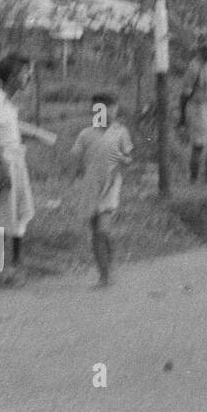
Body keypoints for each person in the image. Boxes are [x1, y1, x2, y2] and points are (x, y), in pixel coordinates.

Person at [0, 53, 55, 275]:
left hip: (17, 162)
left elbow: (12, 131)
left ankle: (16, 263)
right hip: (6, 163)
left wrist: (38, 134)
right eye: (25, 73)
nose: (29, 77)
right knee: (4, 213)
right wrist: (2, 168)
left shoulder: (9, 104)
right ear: (13, 76)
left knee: (21, 210)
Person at [69, 93, 134, 287]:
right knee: (95, 232)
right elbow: (77, 160)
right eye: (102, 110)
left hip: (111, 186)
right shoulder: (86, 134)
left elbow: (129, 158)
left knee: (103, 230)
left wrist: (124, 160)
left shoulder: (121, 132)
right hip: (90, 187)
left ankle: (109, 267)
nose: (109, 114)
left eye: (112, 109)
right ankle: (103, 274)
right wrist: (73, 180)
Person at [179, 33, 207, 183]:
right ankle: (194, 180)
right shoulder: (194, 67)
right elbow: (184, 94)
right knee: (199, 145)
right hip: (197, 106)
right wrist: (182, 118)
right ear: (201, 50)